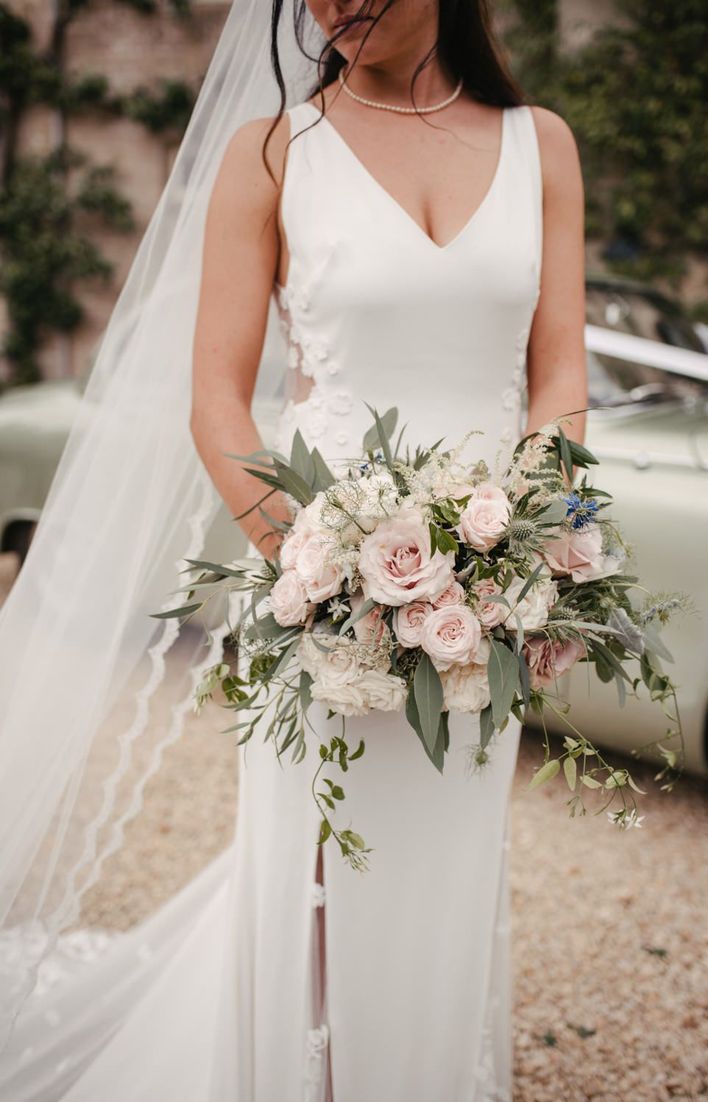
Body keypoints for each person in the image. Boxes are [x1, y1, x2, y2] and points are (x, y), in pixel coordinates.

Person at [0, 2, 586, 1099]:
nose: (331, 1)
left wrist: (525, 554)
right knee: (319, 875)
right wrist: (326, 577)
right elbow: (217, 402)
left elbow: (557, 379)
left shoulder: (539, 144)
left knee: (445, 878)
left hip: (484, 617)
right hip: (320, 604)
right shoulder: (273, 154)